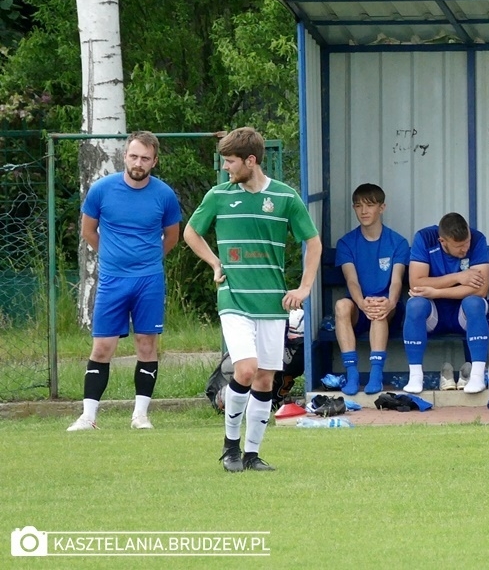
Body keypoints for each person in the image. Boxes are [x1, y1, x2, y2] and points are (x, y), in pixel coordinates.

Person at [183, 127, 321, 472]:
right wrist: (215, 262)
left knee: (264, 379)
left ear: (250, 160)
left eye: (230, 161)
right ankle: (230, 448)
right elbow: (191, 232)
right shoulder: (218, 196)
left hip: (272, 302)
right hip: (234, 299)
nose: (225, 167)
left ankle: (252, 454)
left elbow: (313, 242)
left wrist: (304, 288)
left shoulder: (285, 197)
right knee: (245, 369)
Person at [68, 131, 182, 432]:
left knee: (146, 344)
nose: (138, 163)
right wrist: (113, 257)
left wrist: (147, 260)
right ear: (124, 156)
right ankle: (88, 417)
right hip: (111, 280)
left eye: (145, 158)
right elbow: (88, 231)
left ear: (154, 161)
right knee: (102, 347)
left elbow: (172, 236)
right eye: (133, 156)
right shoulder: (101, 190)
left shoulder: (164, 195)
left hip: (149, 280)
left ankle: (140, 416)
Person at [333, 183, 409, 396]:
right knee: (341, 306)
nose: (364, 211)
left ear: (382, 208)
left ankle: (376, 374)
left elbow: (396, 282)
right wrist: (361, 303)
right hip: (359, 306)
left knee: (379, 308)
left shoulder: (398, 242)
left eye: (370, 205)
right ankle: (352, 374)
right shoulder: (346, 243)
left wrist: (390, 302)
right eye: (358, 206)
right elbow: (352, 281)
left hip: (387, 307)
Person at [402, 213, 489, 394]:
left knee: (475, 304)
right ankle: (415, 376)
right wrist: (458, 277)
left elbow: (480, 289)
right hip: (433, 313)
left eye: (467, 242)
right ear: (442, 241)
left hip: (463, 312)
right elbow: (417, 283)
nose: (465, 249)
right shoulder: (425, 238)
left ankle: (477, 376)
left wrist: (436, 292)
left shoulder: (477, 238)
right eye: (459, 246)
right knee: (414, 305)